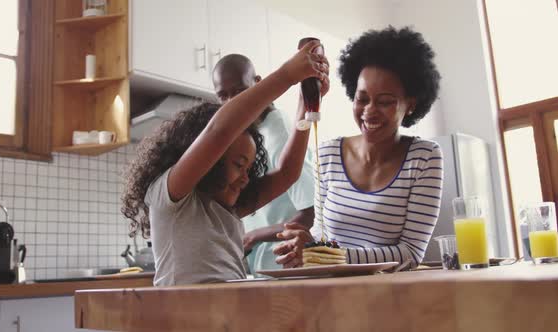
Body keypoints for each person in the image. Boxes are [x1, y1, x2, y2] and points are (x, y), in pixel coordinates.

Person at [121, 40, 329, 286]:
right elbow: (219, 131)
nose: (246, 178)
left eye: (248, 167)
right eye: (239, 165)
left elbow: (287, 172)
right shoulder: (171, 195)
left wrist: (305, 105)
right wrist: (287, 75)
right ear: (211, 161)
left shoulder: (227, 208)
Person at [274, 26, 443, 269]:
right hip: (333, 294)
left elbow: (411, 253)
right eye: (361, 99)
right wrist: (302, 247)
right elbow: (321, 237)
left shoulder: (424, 158)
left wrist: (325, 255)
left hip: (392, 297)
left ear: (411, 105)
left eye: (385, 101)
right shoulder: (328, 153)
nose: (369, 111)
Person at [212, 54, 317, 273]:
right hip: (259, 270)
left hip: (285, 268)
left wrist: (252, 236)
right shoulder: (251, 135)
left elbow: (309, 213)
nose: (234, 103)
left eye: (240, 92)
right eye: (223, 96)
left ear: (259, 84)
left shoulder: (280, 132)